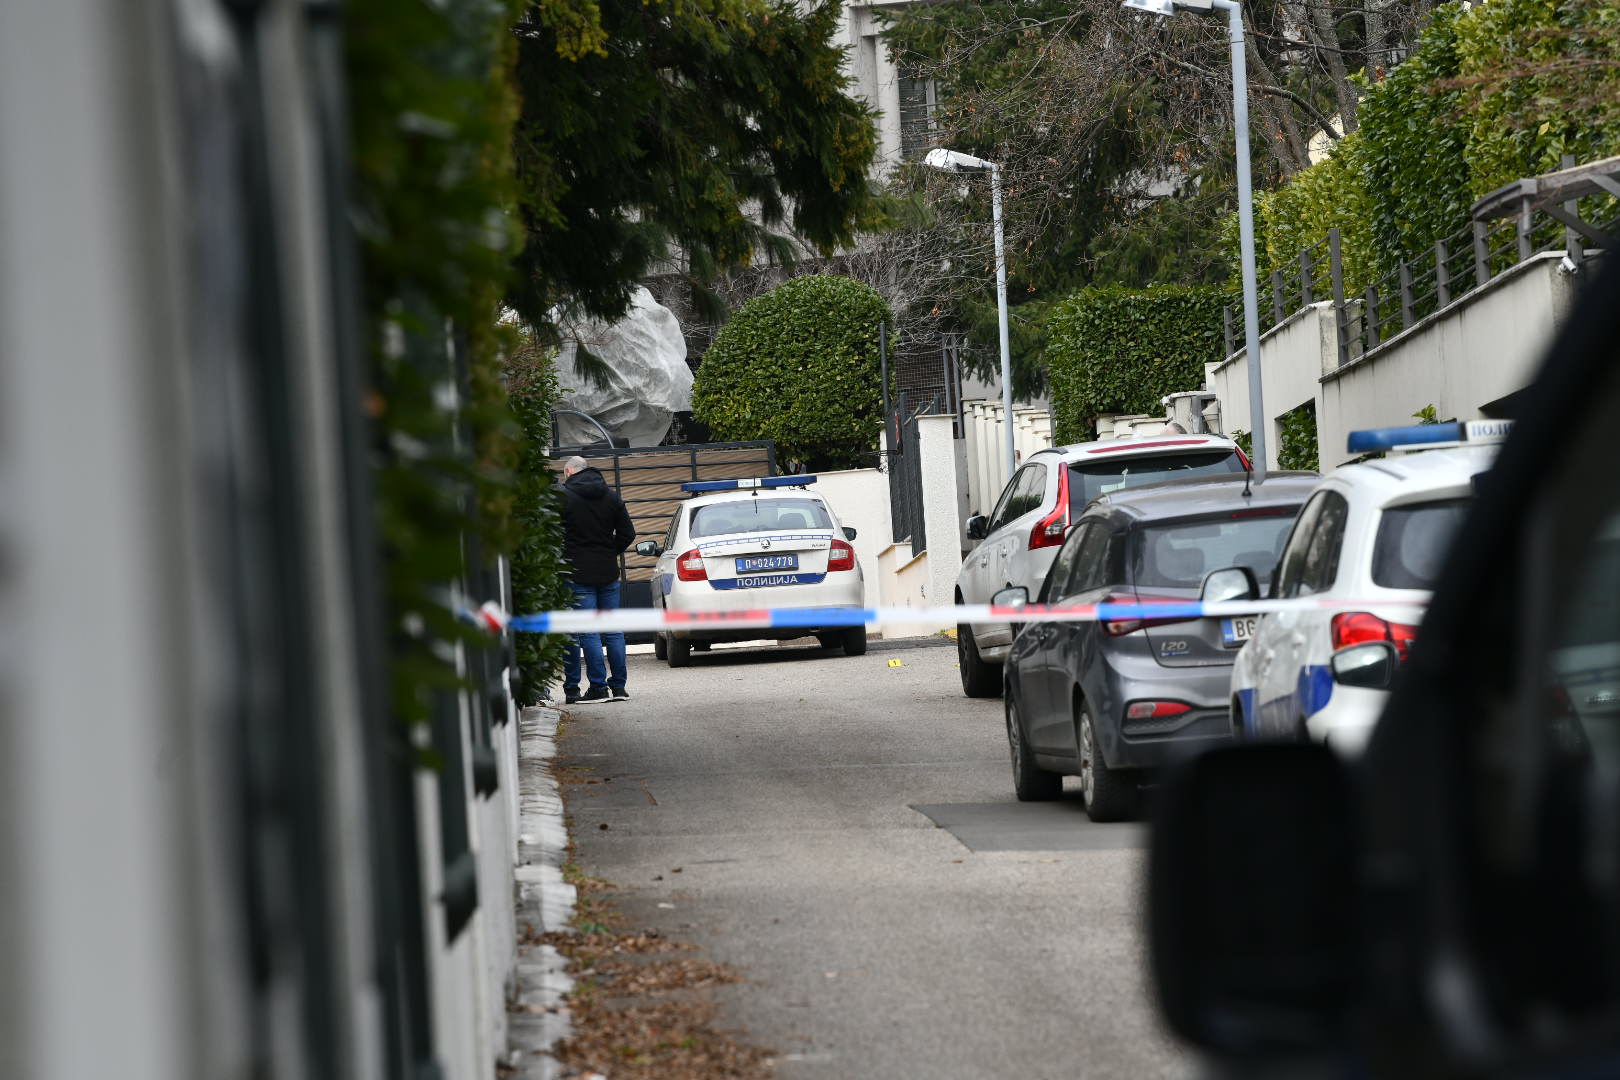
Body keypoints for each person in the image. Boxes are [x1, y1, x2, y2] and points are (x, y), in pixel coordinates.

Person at [558, 455, 636, 703]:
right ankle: (619, 687)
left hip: (578, 573)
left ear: (570, 472)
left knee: (588, 631)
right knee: (613, 631)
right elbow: (628, 533)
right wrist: (608, 551)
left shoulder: (565, 497)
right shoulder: (611, 496)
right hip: (608, 571)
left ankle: (598, 688)